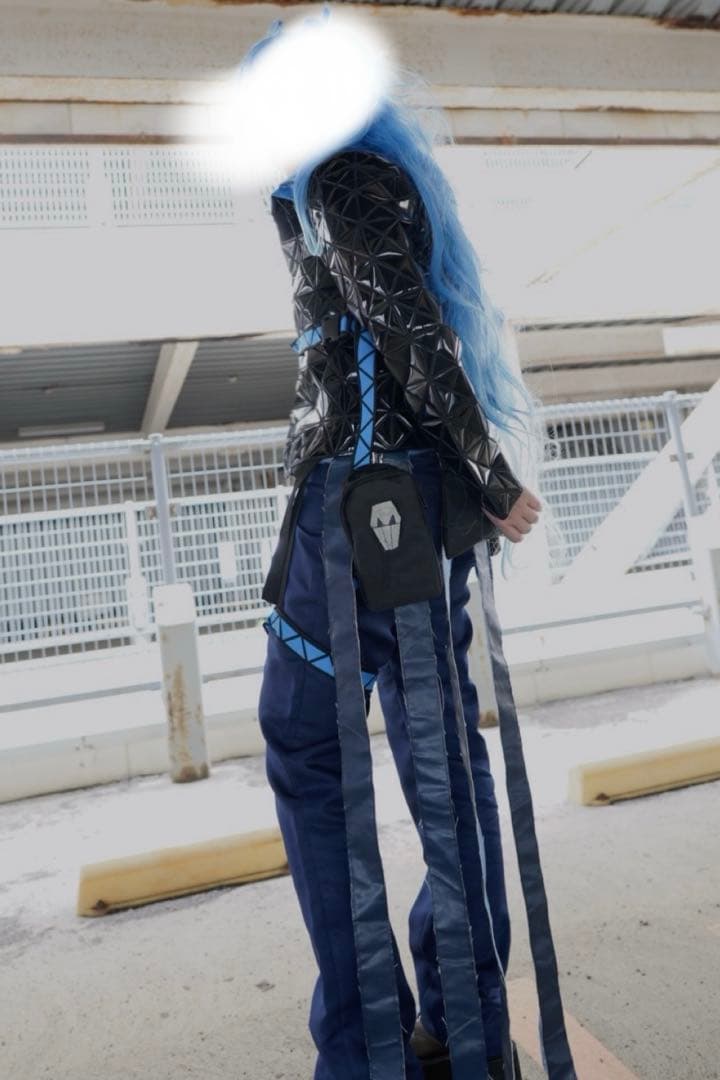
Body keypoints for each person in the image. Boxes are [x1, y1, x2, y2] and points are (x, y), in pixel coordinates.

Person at [251, 11, 576, 1080]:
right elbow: (412, 330)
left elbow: (407, 330)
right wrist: (473, 476)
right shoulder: (366, 178)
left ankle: (378, 1042)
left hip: (362, 511)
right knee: (437, 757)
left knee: (326, 751)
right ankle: (458, 1024)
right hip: (401, 510)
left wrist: (492, 474)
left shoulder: (340, 181)